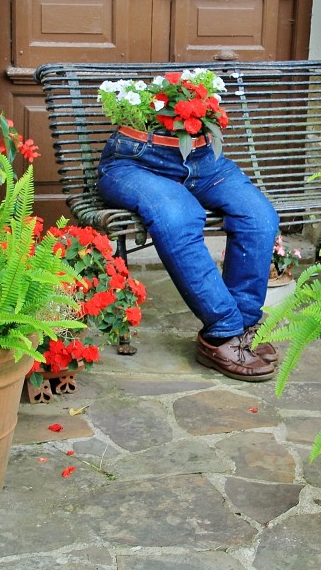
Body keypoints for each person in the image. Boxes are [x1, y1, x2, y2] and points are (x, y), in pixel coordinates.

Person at [97, 127, 279, 381]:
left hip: (204, 162)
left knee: (259, 217)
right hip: (138, 163)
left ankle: (244, 325)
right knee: (179, 217)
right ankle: (223, 333)